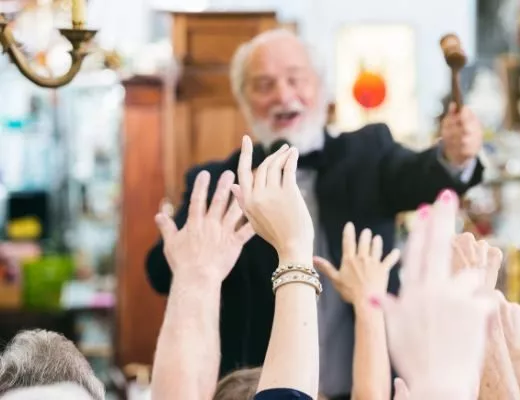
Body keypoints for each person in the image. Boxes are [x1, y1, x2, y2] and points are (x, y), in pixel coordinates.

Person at [145, 28, 484, 399]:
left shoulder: (369, 153)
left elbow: (425, 176)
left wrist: (455, 156)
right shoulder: (219, 182)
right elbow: (164, 274)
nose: (283, 95)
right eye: (264, 84)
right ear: (243, 100)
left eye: (296, 79)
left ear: (321, 86)